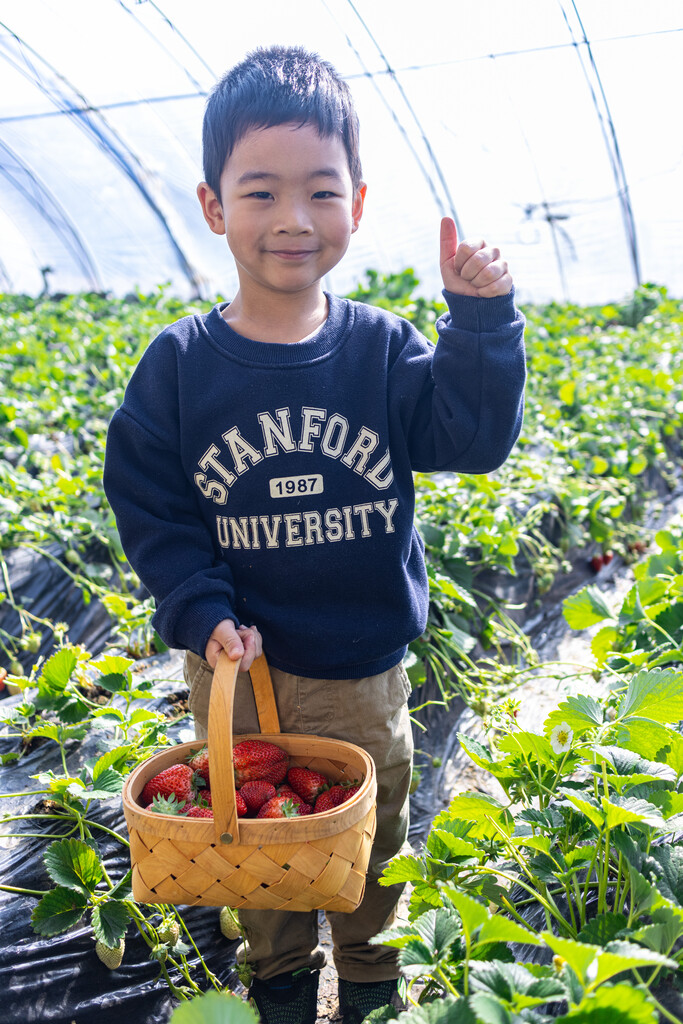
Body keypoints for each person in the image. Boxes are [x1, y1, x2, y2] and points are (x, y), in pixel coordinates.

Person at [103, 44, 526, 1024]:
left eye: (319, 192)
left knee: (369, 850)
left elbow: (470, 438)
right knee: (257, 855)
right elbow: (153, 507)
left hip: (359, 672)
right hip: (235, 670)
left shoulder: (381, 350)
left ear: (358, 203)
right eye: (260, 192)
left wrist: (477, 322)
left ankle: (371, 985)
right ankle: (282, 984)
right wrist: (199, 606)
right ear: (214, 206)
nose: (292, 219)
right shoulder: (176, 369)